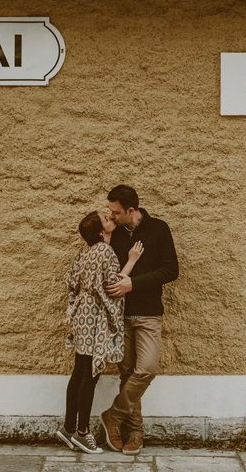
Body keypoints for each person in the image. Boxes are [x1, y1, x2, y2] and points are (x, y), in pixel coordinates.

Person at [99, 184, 179, 455]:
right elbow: (106, 270)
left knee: (146, 370)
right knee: (127, 374)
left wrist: (134, 283)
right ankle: (135, 433)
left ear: (130, 210)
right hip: (120, 315)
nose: (111, 216)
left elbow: (171, 269)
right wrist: (107, 238)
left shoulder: (158, 229)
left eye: (115, 212)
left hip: (148, 314)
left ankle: (113, 416)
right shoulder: (115, 234)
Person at [56, 210, 144, 455]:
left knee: (79, 371)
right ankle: (83, 434)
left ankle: (68, 428)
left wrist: (73, 312)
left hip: (81, 314)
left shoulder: (83, 252)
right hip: (95, 316)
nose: (110, 218)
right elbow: (115, 283)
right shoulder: (104, 250)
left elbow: (71, 282)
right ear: (99, 231)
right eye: (106, 219)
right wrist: (133, 259)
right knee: (90, 376)